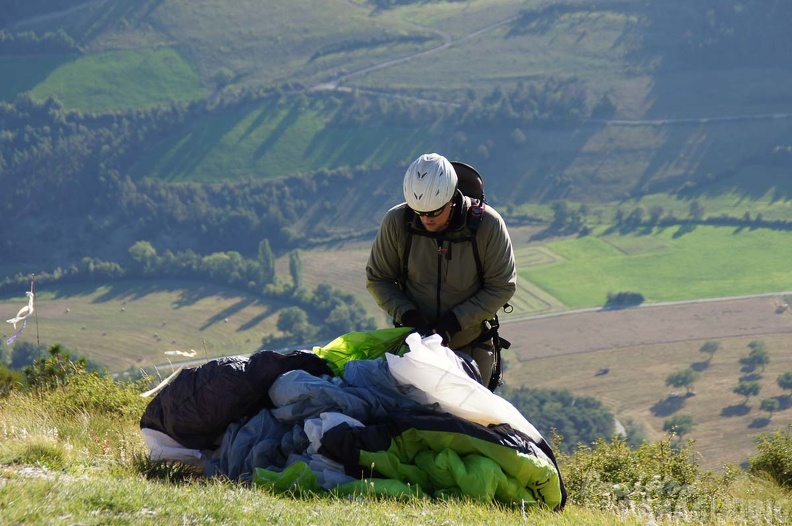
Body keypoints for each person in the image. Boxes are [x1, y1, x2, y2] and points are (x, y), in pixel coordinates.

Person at [366, 153, 516, 388]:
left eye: (434, 212)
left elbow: (501, 286)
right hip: (414, 345)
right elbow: (378, 278)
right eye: (419, 213)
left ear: (452, 199)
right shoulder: (397, 222)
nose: (426, 220)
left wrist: (453, 323)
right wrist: (408, 316)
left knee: (472, 420)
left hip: (470, 344)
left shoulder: (487, 225)